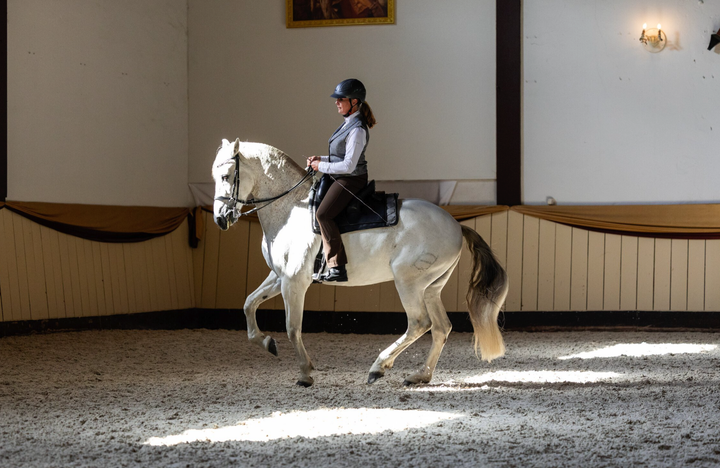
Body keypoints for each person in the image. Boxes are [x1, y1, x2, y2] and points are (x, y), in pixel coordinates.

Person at [307, 78, 377, 282]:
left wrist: (321, 166)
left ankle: (337, 268)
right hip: (341, 175)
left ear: (354, 102)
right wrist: (322, 159)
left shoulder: (357, 129)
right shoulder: (349, 123)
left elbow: (348, 166)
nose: (336, 102)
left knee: (324, 215)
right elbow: (341, 157)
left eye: (341, 99)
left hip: (351, 179)